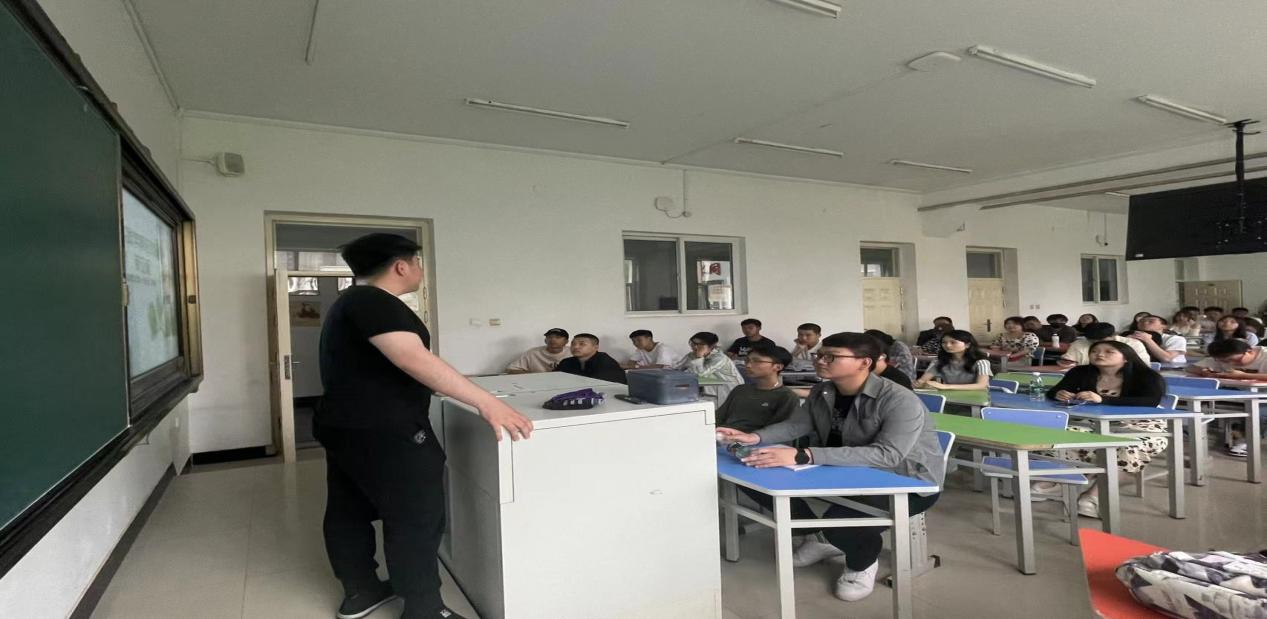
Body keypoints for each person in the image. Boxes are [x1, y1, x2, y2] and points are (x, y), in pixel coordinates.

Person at [316, 233, 533, 619]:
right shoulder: (376, 302)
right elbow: (411, 358)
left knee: (349, 509)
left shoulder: (349, 302)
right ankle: (424, 609)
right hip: (387, 430)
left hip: (345, 424)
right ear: (402, 266)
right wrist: (487, 402)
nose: (419, 270)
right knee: (415, 516)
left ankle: (361, 591)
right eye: (417, 262)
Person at [716, 332, 943, 603]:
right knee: (755, 477)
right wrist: (754, 437)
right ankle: (818, 537)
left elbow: (888, 455)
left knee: (842, 521)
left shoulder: (898, 399)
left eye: (831, 356)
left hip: (905, 481)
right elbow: (797, 425)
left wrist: (803, 456)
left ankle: (860, 564)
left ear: (864, 362)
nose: (820, 361)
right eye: (819, 355)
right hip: (843, 470)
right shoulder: (822, 391)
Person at [1044, 341, 1168, 518]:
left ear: (1126, 358)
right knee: (1061, 437)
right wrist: (1059, 394)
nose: (1100, 354)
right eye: (1094, 351)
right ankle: (1064, 480)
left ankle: (1092, 496)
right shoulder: (1081, 372)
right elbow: (1052, 392)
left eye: (1109, 351)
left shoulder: (1146, 376)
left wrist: (1104, 400)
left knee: (1126, 448)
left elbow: (1150, 402)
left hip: (1140, 425)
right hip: (1092, 423)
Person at [1189, 339, 1267, 457]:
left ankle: (1245, 441)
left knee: (1258, 411)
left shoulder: (1264, 355)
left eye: (1235, 360)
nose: (1231, 363)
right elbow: (1191, 367)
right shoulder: (1223, 356)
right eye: (1224, 361)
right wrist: (1203, 371)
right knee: (1201, 399)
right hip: (1243, 393)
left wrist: (1243, 375)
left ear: (1249, 351)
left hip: (1262, 396)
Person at [714, 344, 800, 432]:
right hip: (722, 434)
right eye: (747, 360)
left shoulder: (786, 397)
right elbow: (717, 418)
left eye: (757, 361)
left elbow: (777, 432)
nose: (748, 365)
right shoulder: (740, 390)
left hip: (753, 439)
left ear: (777, 367)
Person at [674, 331, 744, 402]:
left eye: (699, 345)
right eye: (693, 343)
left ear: (711, 346)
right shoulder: (692, 355)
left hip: (731, 391)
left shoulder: (720, 358)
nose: (694, 347)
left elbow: (701, 374)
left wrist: (699, 357)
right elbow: (677, 368)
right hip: (711, 390)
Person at [914, 330, 992, 390]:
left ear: (967, 345)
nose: (947, 345)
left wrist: (945, 386)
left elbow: (981, 385)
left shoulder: (981, 362)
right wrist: (919, 384)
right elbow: (922, 381)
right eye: (944, 342)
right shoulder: (939, 361)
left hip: (977, 397)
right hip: (950, 395)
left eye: (953, 342)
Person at [1059, 322, 1148, 367]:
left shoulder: (1133, 344)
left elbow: (1143, 367)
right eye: (1093, 341)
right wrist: (1066, 363)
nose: (1098, 344)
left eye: (1102, 341)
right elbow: (1068, 364)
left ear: (1113, 335)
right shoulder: (1079, 344)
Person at [555, 334, 627, 384]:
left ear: (595, 347)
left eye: (582, 344)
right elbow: (556, 379)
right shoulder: (566, 362)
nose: (576, 347)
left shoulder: (605, 361)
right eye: (573, 344)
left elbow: (599, 385)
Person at [505, 328, 571, 374]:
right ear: (545, 340)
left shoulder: (572, 352)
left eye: (558, 337)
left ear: (566, 341)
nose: (553, 340)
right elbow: (511, 369)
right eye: (549, 337)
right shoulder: (533, 352)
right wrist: (535, 376)